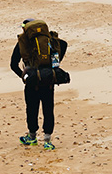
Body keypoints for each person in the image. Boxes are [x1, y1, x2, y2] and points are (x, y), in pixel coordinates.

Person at [9, 18, 68, 150]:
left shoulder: (23, 42)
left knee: (32, 109)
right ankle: (47, 140)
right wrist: (54, 67)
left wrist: (24, 76)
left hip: (32, 82)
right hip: (48, 81)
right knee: (48, 109)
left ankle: (32, 137)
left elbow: (13, 64)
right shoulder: (49, 40)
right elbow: (63, 44)